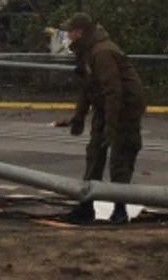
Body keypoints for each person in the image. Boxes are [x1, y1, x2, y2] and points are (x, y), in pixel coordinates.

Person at [59, 12, 146, 225]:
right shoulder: (87, 52)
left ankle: (120, 209)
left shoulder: (102, 52)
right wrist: (79, 116)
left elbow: (113, 91)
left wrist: (111, 125)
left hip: (124, 112)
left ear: (79, 32)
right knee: (94, 155)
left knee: (120, 160)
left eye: (69, 31)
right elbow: (87, 89)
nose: (67, 36)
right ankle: (86, 206)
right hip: (105, 109)